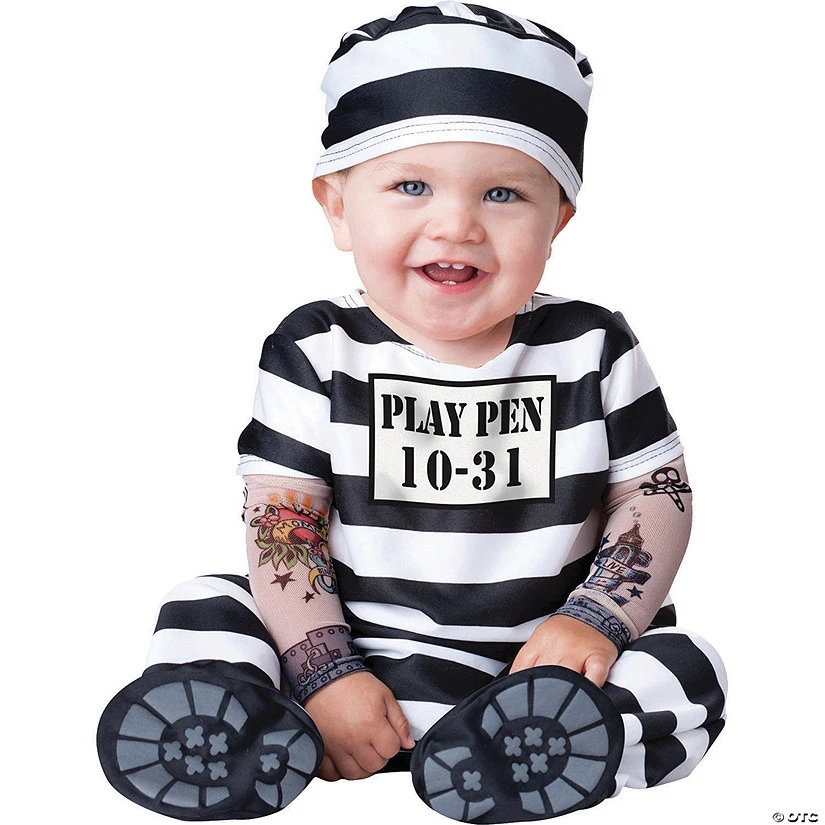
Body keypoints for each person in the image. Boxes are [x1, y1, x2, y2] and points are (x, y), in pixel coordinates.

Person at [97, 3, 727, 822]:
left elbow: (655, 495)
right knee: (204, 601)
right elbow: (282, 520)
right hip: (346, 654)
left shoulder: (592, 345)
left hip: (541, 668)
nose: (456, 224)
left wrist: (595, 621)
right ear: (336, 204)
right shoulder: (316, 347)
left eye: (502, 193)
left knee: (685, 664)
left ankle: (525, 750)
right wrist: (323, 670)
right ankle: (249, 732)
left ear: (558, 220)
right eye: (411, 186)